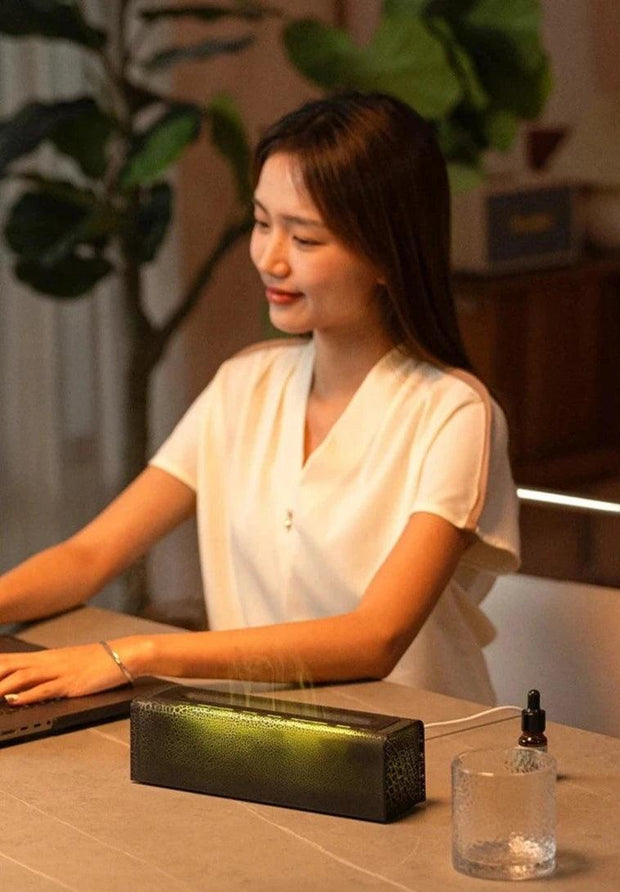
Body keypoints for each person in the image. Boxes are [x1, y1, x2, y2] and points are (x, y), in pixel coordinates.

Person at [0, 92, 519, 707]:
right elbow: (91, 555)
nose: (268, 258)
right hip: (261, 739)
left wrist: (134, 655)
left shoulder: (454, 414)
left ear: (387, 253)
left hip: (419, 753)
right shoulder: (244, 386)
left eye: (304, 238)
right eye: (262, 222)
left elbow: (375, 637)